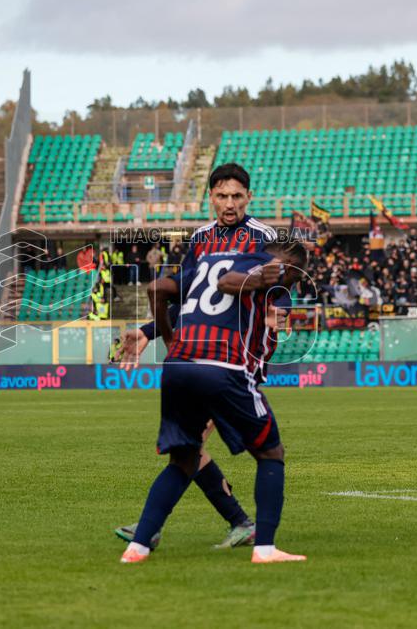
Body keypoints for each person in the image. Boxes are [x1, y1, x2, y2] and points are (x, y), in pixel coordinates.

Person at [114, 162, 283, 551]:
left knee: (191, 448)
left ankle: (156, 529)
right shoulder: (200, 239)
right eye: (222, 196)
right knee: (191, 446)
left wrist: (280, 315)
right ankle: (237, 523)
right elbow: (189, 301)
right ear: (210, 197)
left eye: (237, 196)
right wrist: (146, 331)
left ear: (249, 198)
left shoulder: (263, 237)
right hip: (203, 356)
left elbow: (280, 293)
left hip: (238, 359)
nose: (229, 204)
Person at [120, 241, 309, 564]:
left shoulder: (212, 256)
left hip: (179, 366)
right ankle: (263, 546)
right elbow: (226, 284)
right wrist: (261, 280)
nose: (288, 288)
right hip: (225, 369)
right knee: (270, 451)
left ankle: (138, 546)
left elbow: (160, 289)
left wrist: (165, 338)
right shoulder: (261, 262)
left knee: (187, 456)